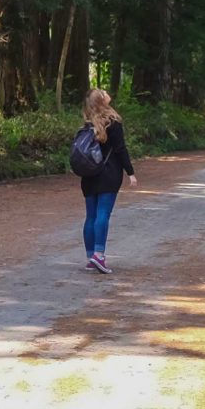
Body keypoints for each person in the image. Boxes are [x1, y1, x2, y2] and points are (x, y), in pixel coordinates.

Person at [78, 88, 134, 273]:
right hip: (109, 174)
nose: (107, 92)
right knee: (103, 214)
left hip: (89, 175)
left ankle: (90, 257)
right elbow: (121, 149)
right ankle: (99, 255)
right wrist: (130, 172)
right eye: (103, 92)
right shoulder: (113, 122)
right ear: (102, 100)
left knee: (91, 216)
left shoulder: (86, 125)